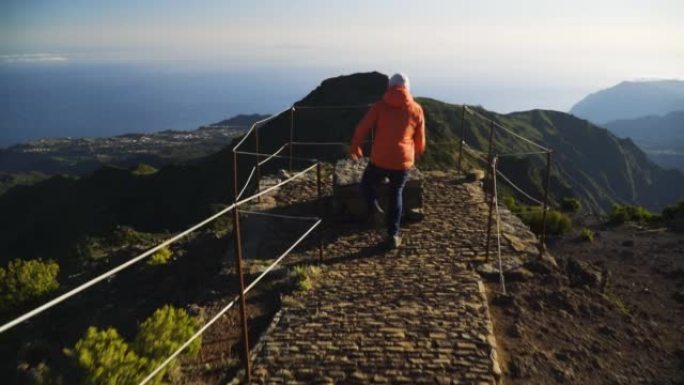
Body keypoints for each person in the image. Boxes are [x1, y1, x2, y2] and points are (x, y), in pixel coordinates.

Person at [349, 73, 426, 248]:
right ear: (407, 88)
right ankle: (393, 235)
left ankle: (374, 207)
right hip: (403, 162)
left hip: (380, 159)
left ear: (390, 88)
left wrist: (355, 146)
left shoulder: (380, 107)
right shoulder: (416, 109)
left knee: (366, 184)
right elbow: (420, 139)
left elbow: (362, 127)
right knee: (396, 193)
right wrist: (418, 151)